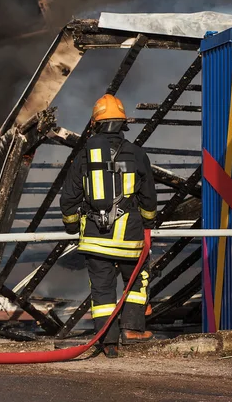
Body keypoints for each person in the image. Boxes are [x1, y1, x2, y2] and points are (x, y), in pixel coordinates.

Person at [60, 94, 158, 358]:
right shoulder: (136, 154)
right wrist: (148, 221)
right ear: (122, 124)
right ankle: (132, 329)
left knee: (102, 288)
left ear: (95, 124)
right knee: (137, 279)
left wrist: (71, 225)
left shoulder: (83, 155)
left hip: (95, 238)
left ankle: (108, 341)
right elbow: (148, 195)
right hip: (130, 238)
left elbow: (69, 197)